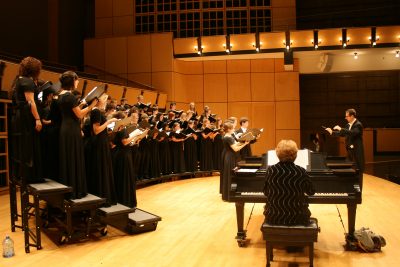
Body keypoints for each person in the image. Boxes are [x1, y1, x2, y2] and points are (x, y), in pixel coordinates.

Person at [58, 71, 97, 199]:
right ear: (71, 81)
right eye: (76, 80)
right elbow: (79, 115)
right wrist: (92, 106)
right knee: (74, 157)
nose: (78, 82)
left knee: (69, 158)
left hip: (65, 128)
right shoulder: (70, 96)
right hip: (72, 130)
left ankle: (69, 187)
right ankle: (75, 189)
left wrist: (80, 105)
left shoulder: (61, 95)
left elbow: (71, 111)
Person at [263, 140, 315, 225]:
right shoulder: (301, 171)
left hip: (274, 217)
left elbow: (265, 192)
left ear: (277, 154)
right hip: (298, 217)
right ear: (295, 154)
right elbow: (311, 192)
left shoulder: (271, 170)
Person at [10, 56, 44, 183]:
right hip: (26, 118)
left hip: (18, 117)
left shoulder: (18, 80)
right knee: (28, 146)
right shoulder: (28, 82)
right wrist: (38, 119)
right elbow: (31, 102)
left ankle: (21, 176)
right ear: (35, 69)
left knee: (21, 146)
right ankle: (30, 177)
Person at [325, 108, 365, 190]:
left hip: (357, 152)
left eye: (347, 116)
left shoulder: (358, 125)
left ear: (352, 116)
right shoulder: (347, 125)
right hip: (350, 151)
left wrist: (341, 128)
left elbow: (353, 133)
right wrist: (332, 132)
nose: (345, 118)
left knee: (358, 170)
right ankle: (350, 187)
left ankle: (359, 190)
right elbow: (342, 133)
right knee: (349, 169)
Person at [221, 121, 249, 200]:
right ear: (229, 129)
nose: (234, 129)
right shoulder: (228, 137)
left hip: (229, 156)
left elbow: (235, 144)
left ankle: (229, 195)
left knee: (231, 175)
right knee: (231, 175)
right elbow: (236, 149)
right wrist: (245, 144)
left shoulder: (227, 136)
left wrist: (243, 141)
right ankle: (230, 195)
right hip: (230, 157)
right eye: (233, 128)